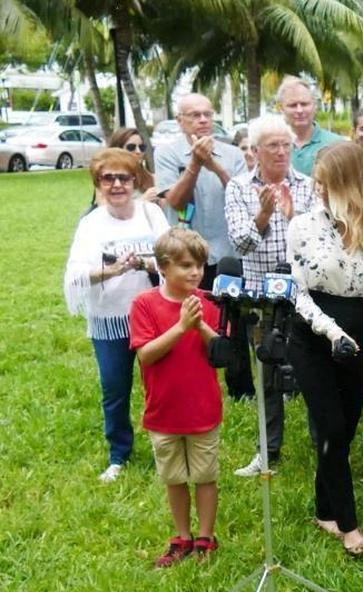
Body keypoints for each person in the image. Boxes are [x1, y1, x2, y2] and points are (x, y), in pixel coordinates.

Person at [287, 141, 363, 558]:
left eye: (327, 183)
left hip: (359, 330)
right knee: (328, 427)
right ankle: (349, 526)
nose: (319, 190)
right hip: (312, 333)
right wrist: (331, 333)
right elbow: (298, 292)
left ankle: (324, 509)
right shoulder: (302, 226)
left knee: (344, 429)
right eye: (317, 183)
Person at [64, 149, 168, 482]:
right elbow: (76, 273)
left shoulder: (151, 214)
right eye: (108, 178)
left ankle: (163, 445)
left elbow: (174, 256)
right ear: (98, 183)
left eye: (123, 177)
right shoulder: (91, 224)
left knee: (160, 385)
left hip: (153, 316)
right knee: (114, 387)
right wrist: (110, 271)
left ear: (135, 180)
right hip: (110, 318)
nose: (117, 184)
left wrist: (148, 264)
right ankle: (118, 453)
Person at [224, 114, 315, 477]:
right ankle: (267, 451)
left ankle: (320, 443)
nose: (280, 152)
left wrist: (293, 218)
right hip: (261, 298)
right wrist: (263, 215)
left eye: (285, 145)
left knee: (312, 371)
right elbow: (241, 243)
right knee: (267, 373)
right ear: (256, 151)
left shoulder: (308, 186)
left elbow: (318, 243)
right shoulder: (238, 188)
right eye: (272, 146)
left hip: (305, 294)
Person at [129, 228, 222, 567]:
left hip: (202, 409)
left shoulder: (209, 303)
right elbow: (146, 355)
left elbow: (220, 353)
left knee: (205, 476)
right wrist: (181, 327)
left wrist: (199, 325)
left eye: (199, 265)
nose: (195, 273)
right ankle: (182, 535)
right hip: (164, 412)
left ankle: (205, 538)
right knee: (174, 478)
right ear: (162, 267)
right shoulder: (144, 304)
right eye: (185, 265)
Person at [155, 93, 247, 290]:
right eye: (195, 115)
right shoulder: (166, 153)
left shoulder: (234, 155)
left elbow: (244, 199)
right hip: (184, 258)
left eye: (208, 114)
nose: (203, 120)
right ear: (180, 121)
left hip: (227, 258)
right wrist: (195, 164)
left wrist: (215, 166)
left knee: (226, 316)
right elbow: (176, 202)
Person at [279, 76, 342, 176]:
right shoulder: (273, 146)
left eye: (304, 104)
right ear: (281, 109)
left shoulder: (337, 145)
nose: (299, 110)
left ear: (315, 106)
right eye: (292, 105)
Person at [106, 127, 157, 203]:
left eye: (142, 147)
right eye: (131, 147)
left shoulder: (151, 178)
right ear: (117, 149)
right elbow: (104, 210)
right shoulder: (106, 179)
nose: (138, 151)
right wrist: (143, 200)